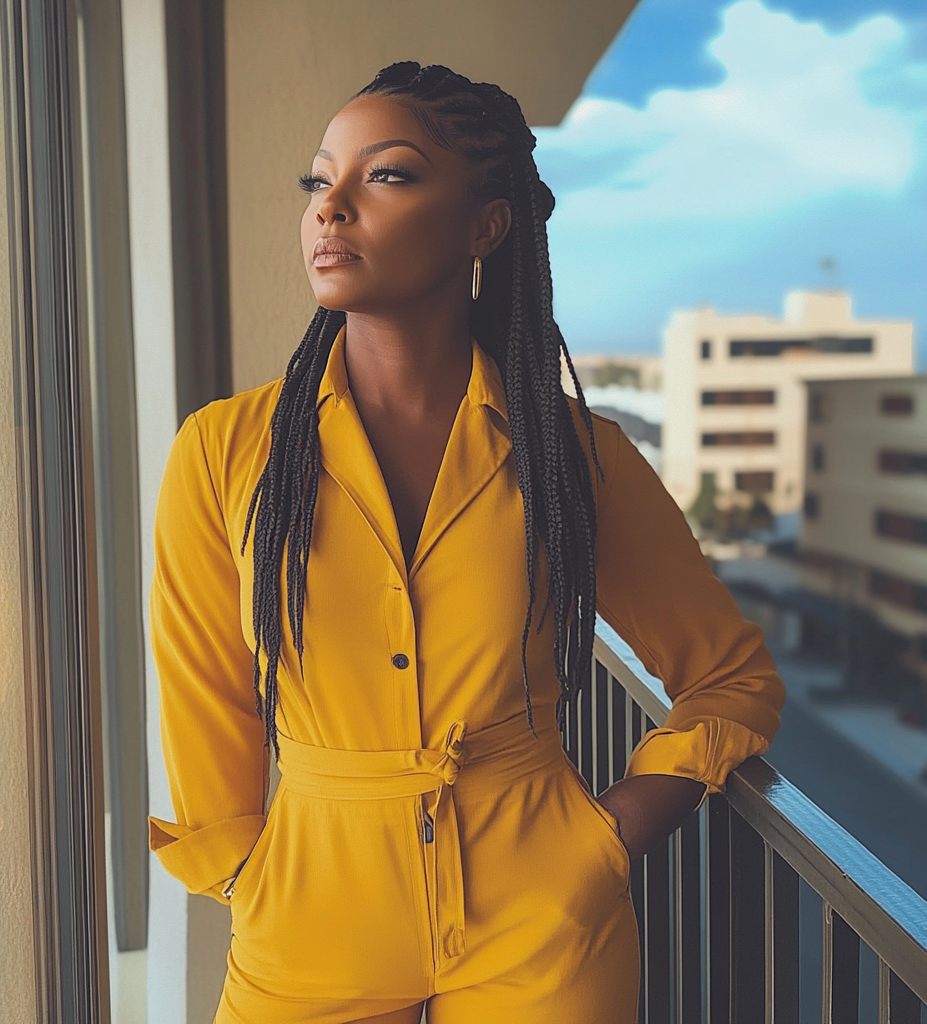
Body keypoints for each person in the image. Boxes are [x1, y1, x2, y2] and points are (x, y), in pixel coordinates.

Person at [147, 62, 784, 1024]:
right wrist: (247, 871)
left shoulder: (573, 453)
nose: (333, 209)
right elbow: (208, 699)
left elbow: (730, 675)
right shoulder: (220, 453)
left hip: (540, 918)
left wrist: (611, 835)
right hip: (311, 925)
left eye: (387, 176)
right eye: (321, 182)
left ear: (487, 225)